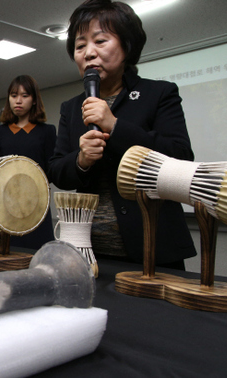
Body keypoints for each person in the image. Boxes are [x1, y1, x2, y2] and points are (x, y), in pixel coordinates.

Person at [47, 0, 196, 269]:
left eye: (100, 41)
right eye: (80, 46)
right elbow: (57, 170)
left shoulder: (159, 93)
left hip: (153, 246)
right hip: (89, 251)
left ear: (126, 46)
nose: (88, 53)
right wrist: (81, 160)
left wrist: (114, 125)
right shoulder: (71, 107)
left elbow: (180, 156)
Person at [0, 75, 56, 250]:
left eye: (25, 95)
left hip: (36, 206)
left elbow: (51, 171)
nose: (18, 100)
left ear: (34, 100)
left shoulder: (47, 131)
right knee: (2, 255)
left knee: (37, 257)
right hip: (3, 207)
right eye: (13, 95)